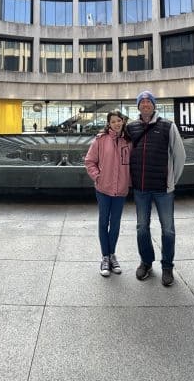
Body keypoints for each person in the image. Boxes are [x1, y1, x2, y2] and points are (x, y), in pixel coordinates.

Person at [126, 90, 186, 287]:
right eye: (141, 102)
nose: (145, 104)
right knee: (141, 228)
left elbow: (180, 155)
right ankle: (146, 262)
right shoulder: (131, 127)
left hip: (163, 189)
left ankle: (167, 266)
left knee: (168, 230)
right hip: (141, 189)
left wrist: (172, 180)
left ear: (154, 105)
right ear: (138, 106)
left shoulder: (168, 126)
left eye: (148, 101)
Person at [84, 110, 131, 277]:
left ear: (123, 122)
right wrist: (98, 177)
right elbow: (90, 161)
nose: (117, 124)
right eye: (113, 122)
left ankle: (112, 255)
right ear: (108, 124)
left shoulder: (128, 141)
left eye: (119, 121)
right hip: (103, 189)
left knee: (116, 224)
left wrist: (129, 181)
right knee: (104, 222)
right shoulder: (100, 140)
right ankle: (105, 256)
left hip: (121, 190)